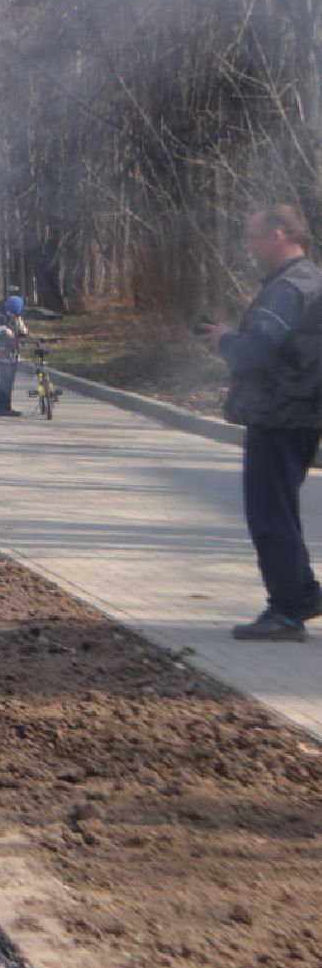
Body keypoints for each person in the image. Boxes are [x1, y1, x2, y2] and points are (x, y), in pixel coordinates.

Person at [198, 204, 322, 641]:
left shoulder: (289, 288)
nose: (248, 247)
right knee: (281, 510)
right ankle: (303, 593)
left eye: (252, 238)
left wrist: (225, 339)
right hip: (297, 412)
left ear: (276, 235)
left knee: (269, 514)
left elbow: (258, 350)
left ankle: (286, 612)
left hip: (280, 413)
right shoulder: (308, 281)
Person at [0, 294, 29, 416]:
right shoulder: (0, 315)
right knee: (4, 381)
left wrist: (24, 331)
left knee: (10, 381)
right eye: (13, 313)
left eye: (16, 314)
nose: (14, 316)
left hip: (13, 352)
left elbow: (21, 328)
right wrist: (3, 330)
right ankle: (0, 408)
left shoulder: (18, 317)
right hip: (3, 352)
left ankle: (7, 406)